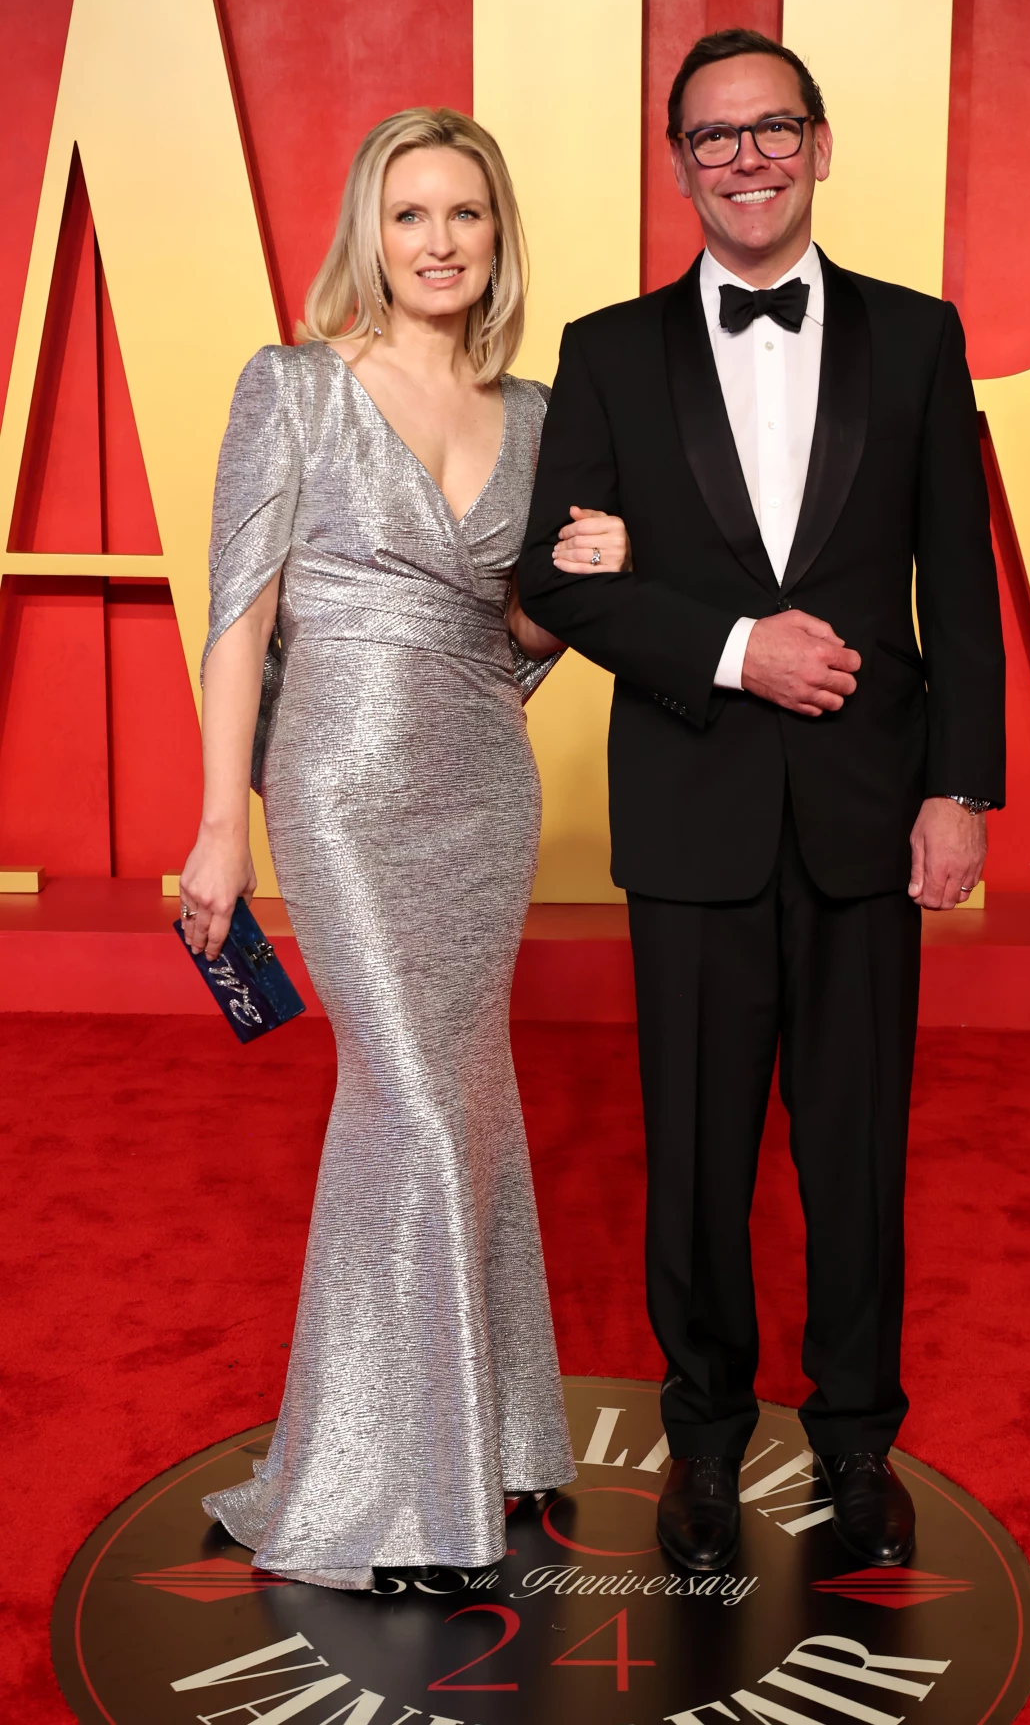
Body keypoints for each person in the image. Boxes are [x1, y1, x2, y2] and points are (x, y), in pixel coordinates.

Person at [518, 28, 1005, 1573]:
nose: (746, 157)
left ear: (819, 143)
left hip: (874, 813)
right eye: (715, 137)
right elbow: (558, 581)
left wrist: (962, 789)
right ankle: (709, 1444)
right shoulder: (605, 352)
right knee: (700, 1156)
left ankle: (858, 1442)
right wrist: (734, 646)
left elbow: (961, 589)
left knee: (856, 1151)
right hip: (695, 812)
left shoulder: (922, 339)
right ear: (679, 165)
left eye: (771, 128)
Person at [178, 107, 628, 1588]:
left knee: (457, 1109)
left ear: (498, 238)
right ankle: (400, 1500)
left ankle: (474, 1445)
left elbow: (512, 642)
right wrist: (217, 826)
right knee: (422, 1113)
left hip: (481, 789)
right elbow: (240, 617)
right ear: (370, 229)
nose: (439, 242)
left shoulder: (547, 414)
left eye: (467, 216)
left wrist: (584, 583)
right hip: (346, 790)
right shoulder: (295, 387)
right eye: (412, 212)